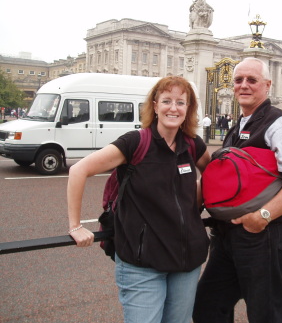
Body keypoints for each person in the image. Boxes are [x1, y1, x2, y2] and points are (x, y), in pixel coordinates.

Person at [67, 76, 211, 323]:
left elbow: (214, 177)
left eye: (180, 102)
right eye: (166, 101)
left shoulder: (192, 144)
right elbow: (78, 170)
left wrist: (195, 202)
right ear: (155, 106)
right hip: (142, 263)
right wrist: (75, 225)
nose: (173, 108)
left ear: (188, 109)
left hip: (187, 261)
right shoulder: (135, 143)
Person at [193, 57, 282, 323]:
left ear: (267, 85)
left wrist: (262, 217)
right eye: (238, 80)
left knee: (264, 312)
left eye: (252, 80)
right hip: (229, 235)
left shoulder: (279, 125)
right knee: (208, 305)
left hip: (265, 233)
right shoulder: (239, 125)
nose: (243, 85)